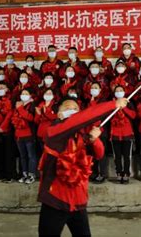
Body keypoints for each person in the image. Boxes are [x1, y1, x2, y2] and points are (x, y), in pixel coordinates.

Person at [38, 96, 128, 236]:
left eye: (75, 109)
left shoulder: (82, 136)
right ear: (59, 113)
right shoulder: (54, 131)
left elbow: (99, 154)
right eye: (67, 108)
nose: (72, 111)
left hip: (78, 201)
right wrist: (113, 104)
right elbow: (79, 119)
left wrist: (94, 140)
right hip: (55, 201)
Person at [110, 86, 136, 184]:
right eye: (117, 91)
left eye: (121, 90)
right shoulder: (111, 104)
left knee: (126, 156)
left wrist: (124, 108)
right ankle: (119, 173)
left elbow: (133, 115)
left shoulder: (128, 103)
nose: (119, 92)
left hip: (127, 134)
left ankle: (126, 173)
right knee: (117, 156)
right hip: (115, 134)